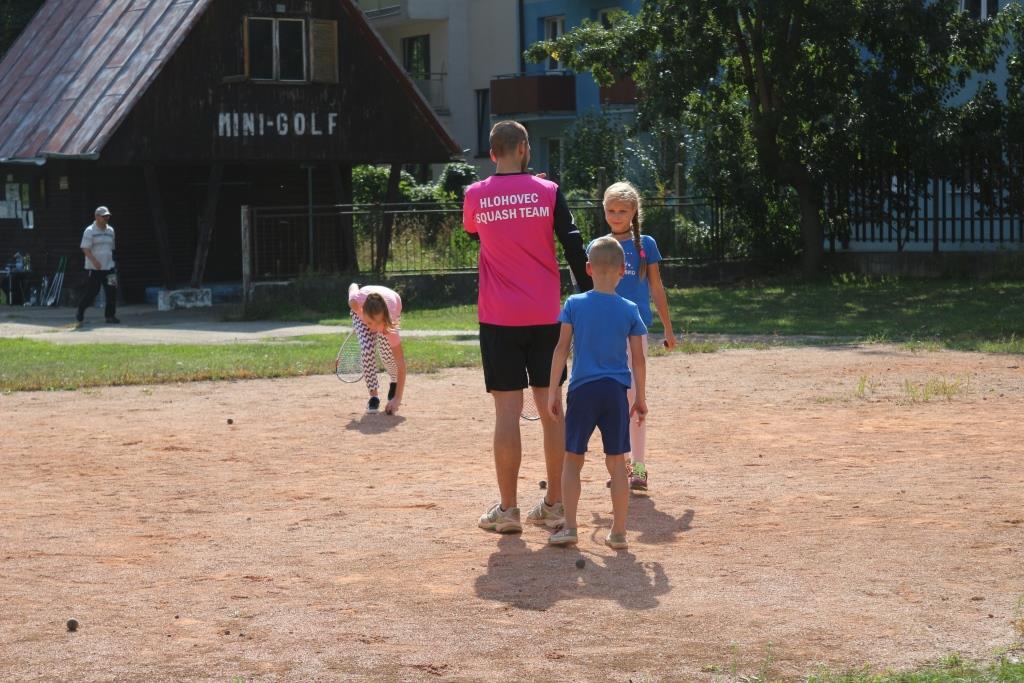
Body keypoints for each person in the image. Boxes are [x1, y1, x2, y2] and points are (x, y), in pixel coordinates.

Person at [465, 120, 593, 534]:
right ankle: (555, 504)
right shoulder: (548, 191)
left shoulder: (475, 194)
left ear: (492, 153)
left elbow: (475, 232)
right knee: (552, 408)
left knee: (507, 412)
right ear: (524, 148)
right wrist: (591, 294)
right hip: (545, 316)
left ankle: (508, 510)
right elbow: (573, 244)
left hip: (498, 317)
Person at [546, 236, 647, 550]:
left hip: (582, 391)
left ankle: (571, 527)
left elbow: (561, 349)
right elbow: (638, 359)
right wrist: (640, 397)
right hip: (615, 393)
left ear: (588, 268)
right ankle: (619, 533)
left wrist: (553, 391)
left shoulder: (574, 304)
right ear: (622, 270)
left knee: (572, 460)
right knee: (617, 464)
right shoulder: (629, 309)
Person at [594, 181, 675, 491]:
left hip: (635, 330)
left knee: (633, 398)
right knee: (612, 399)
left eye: (622, 211)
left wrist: (667, 326)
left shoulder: (646, 245)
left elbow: (656, 287)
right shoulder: (598, 246)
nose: (616, 216)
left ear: (633, 212)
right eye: (611, 210)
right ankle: (621, 465)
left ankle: (638, 468)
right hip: (606, 330)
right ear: (604, 211)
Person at [348, 283, 407, 415]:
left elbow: (401, 364)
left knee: (387, 356)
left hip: (392, 303)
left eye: (378, 323)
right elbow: (352, 287)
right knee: (367, 349)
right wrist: (354, 285)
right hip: (362, 308)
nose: (373, 328)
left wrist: (398, 398)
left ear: (384, 320)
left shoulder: (390, 322)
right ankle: (373, 396)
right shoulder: (355, 303)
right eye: (370, 323)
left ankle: (394, 381)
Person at [76, 206, 119, 324]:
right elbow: (85, 248)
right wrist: (94, 261)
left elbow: (112, 248)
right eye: (104, 216)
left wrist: (113, 262)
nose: (107, 218)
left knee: (112, 291)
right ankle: (81, 309)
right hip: (95, 268)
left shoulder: (111, 230)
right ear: (97, 217)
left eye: (108, 216)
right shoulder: (90, 231)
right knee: (92, 292)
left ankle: (110, 316)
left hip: (109, 267)